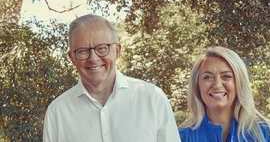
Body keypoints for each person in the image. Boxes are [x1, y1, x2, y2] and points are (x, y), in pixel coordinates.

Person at [43, 14, 181, 142]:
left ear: (117, 51)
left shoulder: (152, 99)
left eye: (102, 48)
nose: (93, 58)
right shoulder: (57, 112)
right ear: (72, 58)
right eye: (82, 51)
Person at [179, 46, 270, 142]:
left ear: (239, 83)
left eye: (226, 76)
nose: (217, 84)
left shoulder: (266, 133)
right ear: (197, 85)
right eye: (207, 77)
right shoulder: (181, 137)